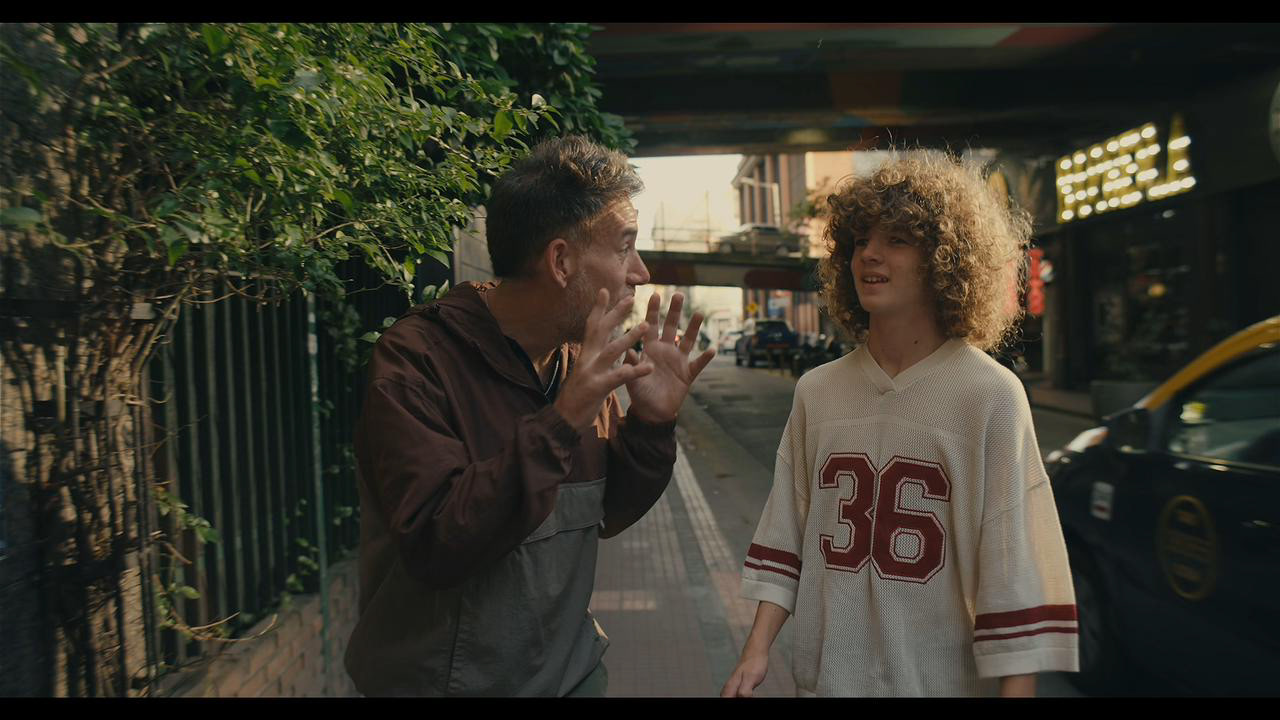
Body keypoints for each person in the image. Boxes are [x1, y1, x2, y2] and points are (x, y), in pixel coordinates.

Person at [344, 135, 715, 696]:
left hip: (570, 676)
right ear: (561, 261)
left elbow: (606, 513)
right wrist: (561, 422)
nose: (639, 272)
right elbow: (437, 544)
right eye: (624, 247)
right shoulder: (419, 360)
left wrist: (651, 425)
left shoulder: (576, 362)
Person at [721, 150, 1078, 698]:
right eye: (860, 240)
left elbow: (1012, 568)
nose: (869, 253)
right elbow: (787, 528)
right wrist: (757, 649)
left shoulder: (990, 396)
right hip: (826, 685)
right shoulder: (817, 391)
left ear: (945, 258)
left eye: (897, 239)